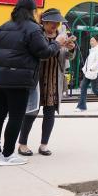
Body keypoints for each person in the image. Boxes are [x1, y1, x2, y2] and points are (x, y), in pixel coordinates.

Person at [0, 0, 68, 166]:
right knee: (15, 117)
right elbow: (44, 52)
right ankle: (7, 155)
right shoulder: (33, 29)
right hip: (18, 80)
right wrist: (58, 44)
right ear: (33, 12)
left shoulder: (4, 26)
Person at [17, 9, 75, 156]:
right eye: (52, 22)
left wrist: (71, 49)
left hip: (53, 79)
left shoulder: (61, 36)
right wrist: (56, 44)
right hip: (36, 79)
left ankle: (44, 145)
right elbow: (36, 54)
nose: (55, 25)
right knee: (31, 112)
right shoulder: (37, 35)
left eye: (57, 22)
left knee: (50, 113)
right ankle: (22, 144)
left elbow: (67, 57)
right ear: (44, 21)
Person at [75, 36, 98, 111]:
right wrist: (85, 69)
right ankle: (82, 106)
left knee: (94, 89)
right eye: (90, 41)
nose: (91, 42)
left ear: (97, 41)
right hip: (89, 72)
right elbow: (89, 61)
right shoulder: (93, 50)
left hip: (94, 72)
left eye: (92, 40)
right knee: (85, 87)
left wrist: (91, 68)